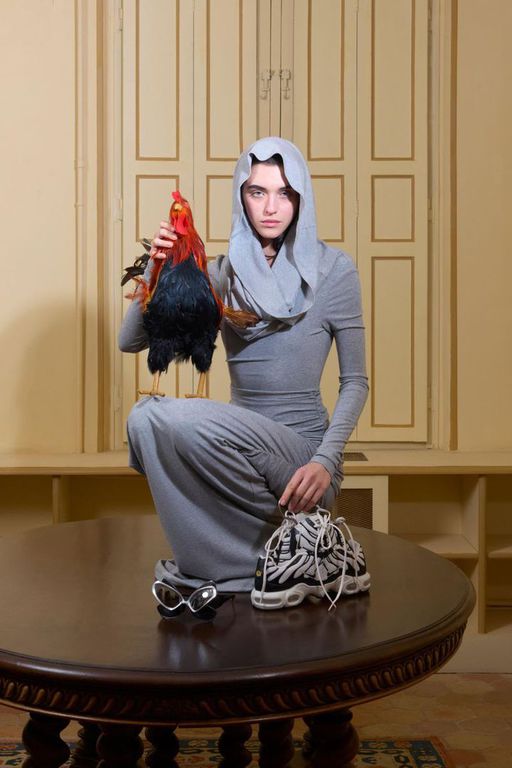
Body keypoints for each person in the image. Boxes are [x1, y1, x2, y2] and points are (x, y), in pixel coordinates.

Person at [119, 137, 370, 610]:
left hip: (303, 461)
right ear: (241, 197)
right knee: (143, 419)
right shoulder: (223, 272)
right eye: (258, 192)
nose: (271, 207)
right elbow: (130, 341)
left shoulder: (335, 270)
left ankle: (276, 556)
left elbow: (355, 381)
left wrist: (326, 461)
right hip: (238, 454)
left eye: (284, 193)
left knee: (156, 414)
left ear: (301, 198)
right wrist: (156, 267)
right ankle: (258, 564)